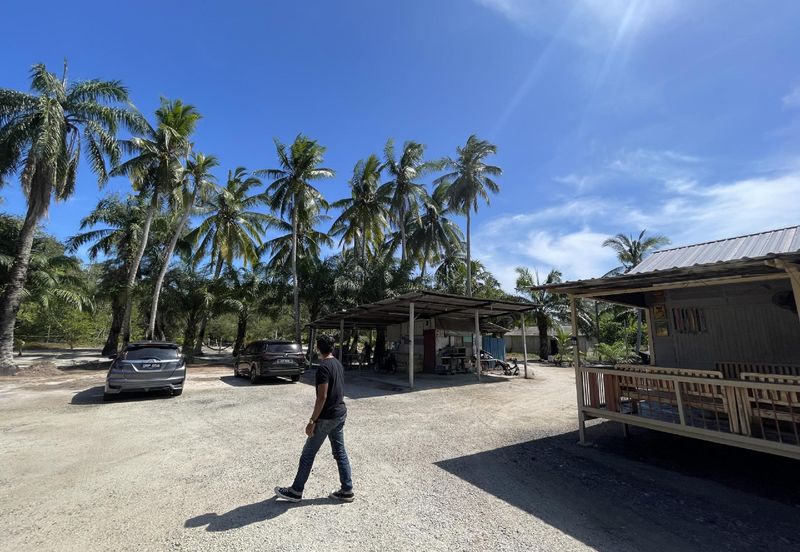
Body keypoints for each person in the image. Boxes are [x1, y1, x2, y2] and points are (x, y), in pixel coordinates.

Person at [275, 334, 354, 503]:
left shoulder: (323, 367)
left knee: (308, 454)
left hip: (327, 418)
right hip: (340, 413)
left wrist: (312, 421)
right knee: (340, 453)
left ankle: (296, 491)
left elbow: (322, 397)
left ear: (318, 348)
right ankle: (347, 490)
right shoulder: (337, 364)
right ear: (332, 348)